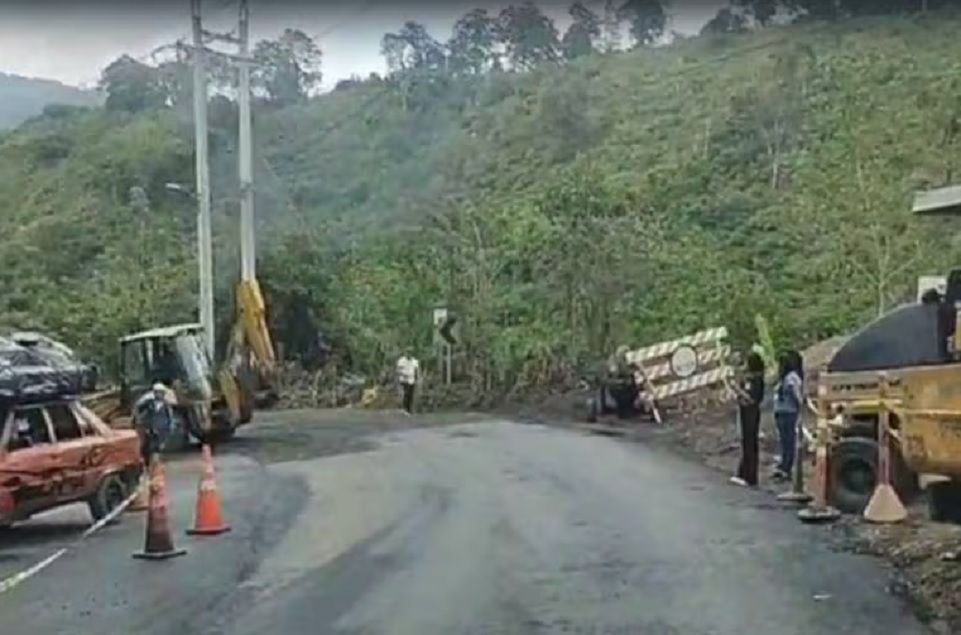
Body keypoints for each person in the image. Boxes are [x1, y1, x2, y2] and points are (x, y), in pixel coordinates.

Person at [729, 352, 765, 487]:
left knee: (750, 442)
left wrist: (738, 390)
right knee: (746, 442)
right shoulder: (748, 378)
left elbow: (752, 398)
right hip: (745, 411)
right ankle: (743, 472)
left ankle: (750, 476)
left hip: (751, 412)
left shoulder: (757, 380)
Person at [772, 351, 804, 481]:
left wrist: (800, 404)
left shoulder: (789, 377)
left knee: (788, 442)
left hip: (786, 412)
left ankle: (786, 468)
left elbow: (794, 393)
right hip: (785, 412)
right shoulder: (788, 377)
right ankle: (784, 466)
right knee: (786, 441)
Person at [134, 383, 175, 463]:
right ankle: (148, 462)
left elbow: (170, 417)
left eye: (161, 392)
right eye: (157, 392)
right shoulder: (148, 403)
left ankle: (155, 463)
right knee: (146, 447)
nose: (159, 394)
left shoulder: (166, 405)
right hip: (149, 428)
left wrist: (170, 427)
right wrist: (139, 419)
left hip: (161, 429)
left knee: (157, 447)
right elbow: (138, 408)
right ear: (154, 393)